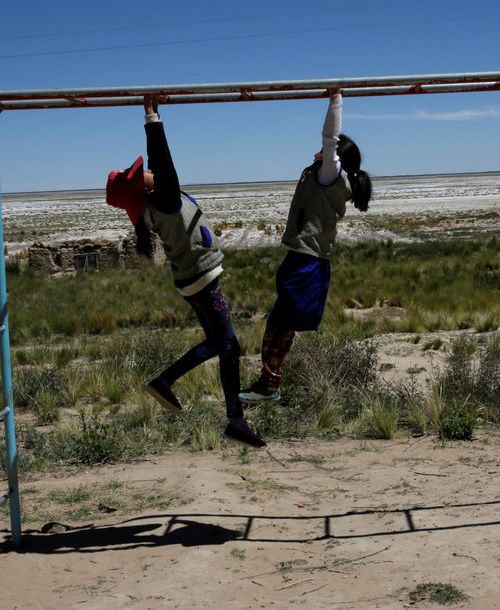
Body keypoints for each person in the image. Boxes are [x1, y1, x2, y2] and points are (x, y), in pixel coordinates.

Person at [106, 96, 265, 448]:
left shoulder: (156, 205)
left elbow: (161, 169)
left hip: (192, 281)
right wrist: (152, 116)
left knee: (220, 343)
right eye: (141, 173)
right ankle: (232, 418)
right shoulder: (164, 200)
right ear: (142, 186)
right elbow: (163, 160)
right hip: (201, 281)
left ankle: (169, 385)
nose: (148, 170)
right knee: (228, 346)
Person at [240, 91, 372, 403]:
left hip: (306, 262)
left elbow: (329, 136)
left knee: (278, 326)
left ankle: (268, 387)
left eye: (330, 151)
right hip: (303, 259)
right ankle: (269, 385)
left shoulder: (331, 175)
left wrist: (335, 100)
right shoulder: (325, 174)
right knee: (279, 326)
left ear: (337, 155)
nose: (320, 149)